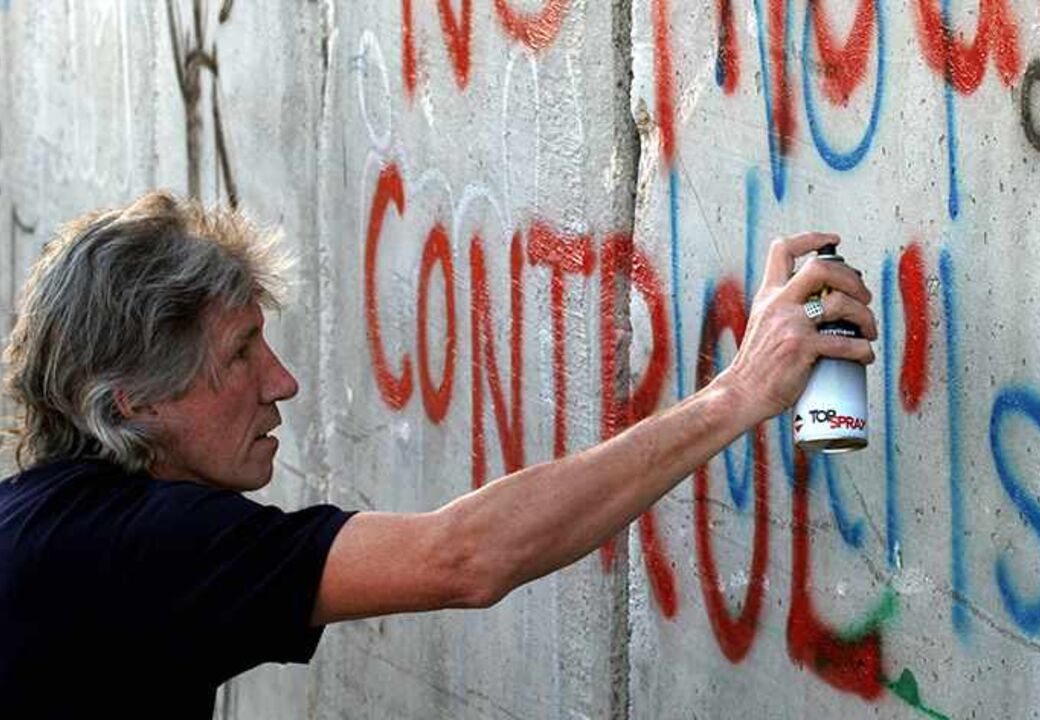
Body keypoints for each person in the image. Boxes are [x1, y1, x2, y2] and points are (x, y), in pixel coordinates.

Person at [0, 191, 876, 717]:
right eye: (238, 354)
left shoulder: (54, 522)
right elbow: (465, 557)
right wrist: (736, 394)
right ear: (136, 404)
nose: (282, 381)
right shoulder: (135, 548)